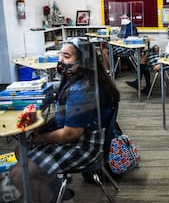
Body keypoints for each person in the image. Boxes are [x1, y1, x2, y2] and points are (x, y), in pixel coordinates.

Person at [10, 38, 120, 203]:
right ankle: (55, 190)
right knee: (21, 150)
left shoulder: (82, 89)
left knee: (19, 173)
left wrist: (41, 138)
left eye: (67, 56)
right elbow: (66, 116)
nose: (61, 60)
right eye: (61, 55)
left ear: (82, 61)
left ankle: (58, 196)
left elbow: (71, 134)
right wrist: (45, 128)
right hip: (83, 137)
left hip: (83, 146)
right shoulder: (81, 78)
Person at [126, 20, 169, 94]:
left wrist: (161, 64)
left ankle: (141, 83)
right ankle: (141, 83)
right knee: (146, 56)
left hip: (167, 60)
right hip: (165, 56)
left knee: (144, 59)